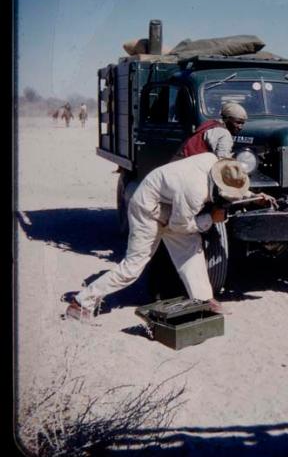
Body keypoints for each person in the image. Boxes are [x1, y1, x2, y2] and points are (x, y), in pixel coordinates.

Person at [65, 154, 276, 322]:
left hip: (170, 205)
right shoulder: (194, 191)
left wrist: (254, 197)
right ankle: (81, 303)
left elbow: (231, 183)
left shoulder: (216, 164)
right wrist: (211, 218)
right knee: (132, 267)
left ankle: (204, 300)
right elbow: (180, 226)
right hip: (148, 210)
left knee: (191, 251)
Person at [175, 102, 248, 160]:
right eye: (237, 122)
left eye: (242, 123)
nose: (240, 127)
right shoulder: (224, 134)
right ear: (226, 119)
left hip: (181, 160)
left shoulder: (209, 124)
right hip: (190, 165)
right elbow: (222, 160)